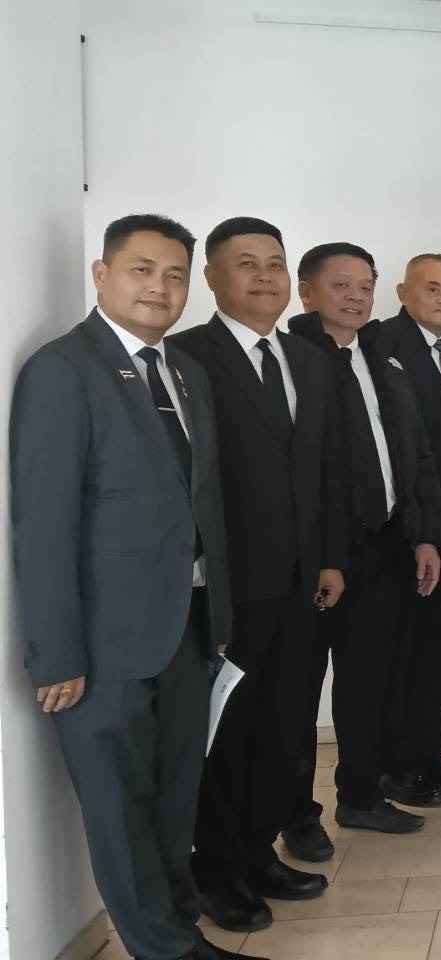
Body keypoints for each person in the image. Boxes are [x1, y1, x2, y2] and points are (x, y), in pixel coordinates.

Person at [11, 214, 260, 960]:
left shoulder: (184, 372)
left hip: (187, 625)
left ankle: (179, 926)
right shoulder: (62, 370)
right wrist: (55, 653)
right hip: (103, 645)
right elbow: (43, 524)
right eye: (142, 270)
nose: (160, 287)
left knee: (174, 793)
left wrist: (218, 617)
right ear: (102, 275)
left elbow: (203, 504)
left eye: (174, 274)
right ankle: (162, 949)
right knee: (120, 807)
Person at [168, 217, 348, 931]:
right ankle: (216, 870)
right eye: (247, 264)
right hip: (227, 588)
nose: (265, 276)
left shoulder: (307, 358)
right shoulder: (187, 358)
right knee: (229, 735)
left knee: (284, 728)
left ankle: (258, 850)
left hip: (302, 585)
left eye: (275, 262)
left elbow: (327, 468)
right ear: (212, 277)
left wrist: (330, 557)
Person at [284, 242, 441, 845]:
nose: (356, 297)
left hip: (385, 545)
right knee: (298, 692)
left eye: (365, 286)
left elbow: (416, 455)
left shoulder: (382, 359)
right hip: (315, 554)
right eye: (341, 285)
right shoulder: (293, 360)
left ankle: (360, 795)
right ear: (307, 292)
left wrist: (425, 535)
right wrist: (325, 554)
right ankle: (297, 816)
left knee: (369, 681)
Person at [370, 254, 441, 806]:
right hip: (408, 531)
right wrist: (421, 532)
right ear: (402, 292)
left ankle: (427, 754)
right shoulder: (380, 346)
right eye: (433, 289)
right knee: (404, 651)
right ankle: (394, 765)